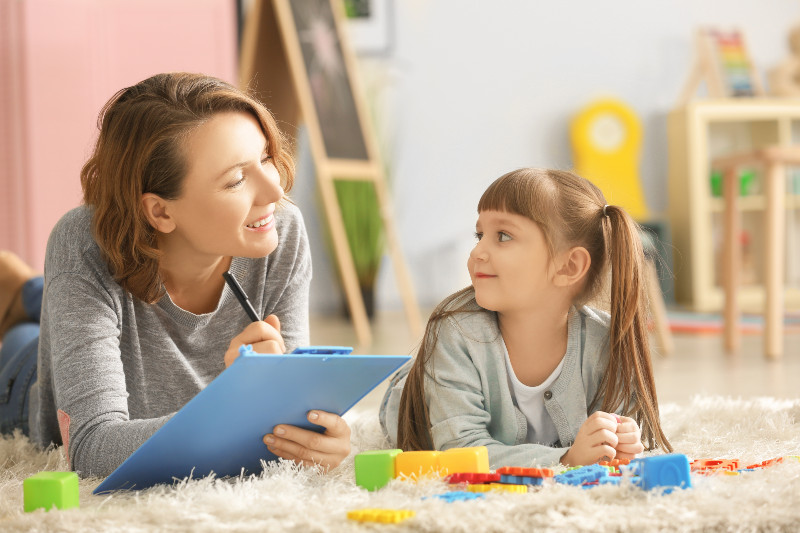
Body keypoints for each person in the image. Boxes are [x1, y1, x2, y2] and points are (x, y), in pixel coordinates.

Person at [0, 72, 350, 478]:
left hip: (96, 310)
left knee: (51, 300)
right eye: (236, 179)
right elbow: (92, 449)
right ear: (161, 211)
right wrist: (231, 404)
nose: (274, 190)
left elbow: (287, 418)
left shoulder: (277, 227)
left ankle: (28, 289)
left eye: (266, 157)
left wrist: (316, 435)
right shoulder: (82, 244)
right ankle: (24, 294)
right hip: (23, 372)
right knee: (23, 339)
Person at [380, 168, 672, 468]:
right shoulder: (455, 332)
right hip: (419, 397)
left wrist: (619, 438)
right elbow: (459, 451)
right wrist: (567, 458)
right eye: (480, 235)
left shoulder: (605, 341)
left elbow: (617, 430)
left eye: (502, 236)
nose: (478, 251)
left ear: (569, 266)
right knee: (420, 384)